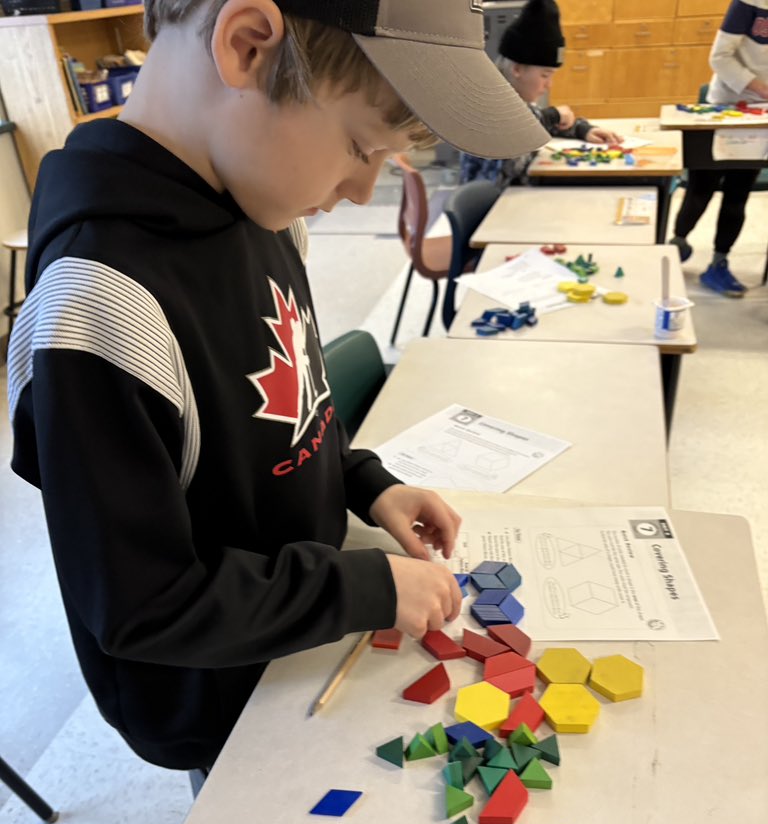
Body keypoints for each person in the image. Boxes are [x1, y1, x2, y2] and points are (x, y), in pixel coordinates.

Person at [6, 0, 548, 776]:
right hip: (219, 701)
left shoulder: (261, 206)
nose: (363, 192)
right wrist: (361, 585)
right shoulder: (96, 308)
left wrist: (365, 484)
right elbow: (144, 605)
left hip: (298, 637)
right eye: (362, 147)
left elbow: (288, 411)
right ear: (249, 46)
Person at [460, 0, 622, 187]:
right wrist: (553, 115)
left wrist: (582, 130)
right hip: (494, 208)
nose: (549, 85)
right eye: (545, 75)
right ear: (518, 69)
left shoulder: (516, 102)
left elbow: (539, 123)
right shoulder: (488, 103)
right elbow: (512, 157)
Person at [669, 0, 768, 297]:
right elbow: (720, 58)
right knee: (702, 189)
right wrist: (761, 88)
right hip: (725, 106)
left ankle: (718, 263)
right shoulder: (749, 4)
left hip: (759, 119)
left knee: (738, 195)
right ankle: (678, 244)